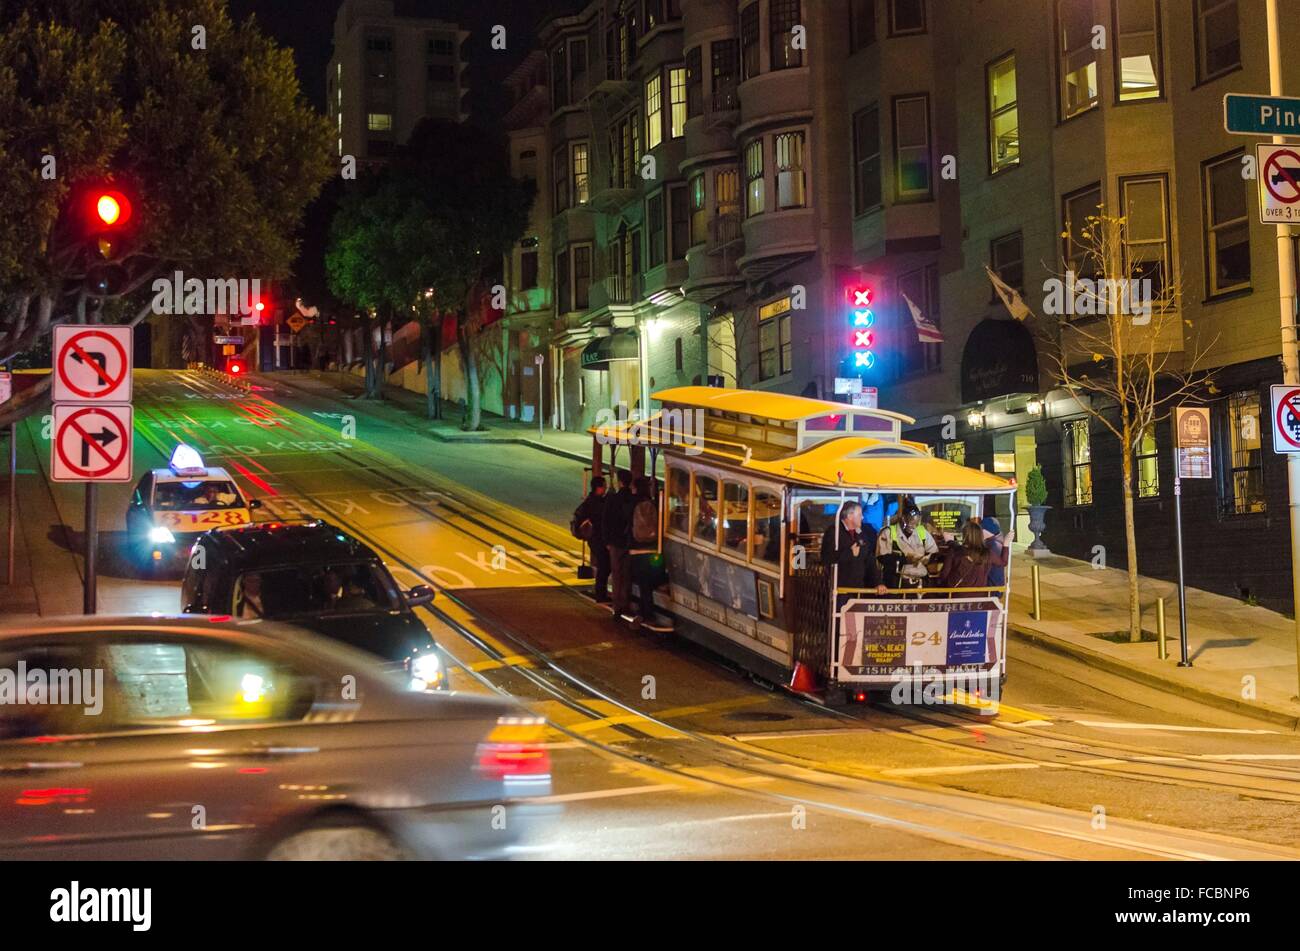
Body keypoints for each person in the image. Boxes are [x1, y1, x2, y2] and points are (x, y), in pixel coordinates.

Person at [820, 500, 888, 598]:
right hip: (840, 592)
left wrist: (878, 582)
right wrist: (849, 553)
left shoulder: (860, 533)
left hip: (858, 590)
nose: (862, 517)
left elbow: (869, 559)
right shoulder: (834, 532)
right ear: (850, 516)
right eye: (860, 514)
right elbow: (826, 558)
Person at [878, 497, 939, 590]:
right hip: (897, 583)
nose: (914, 527)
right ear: (903, 519)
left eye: (916, 523)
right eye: (911, 523)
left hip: (920, 583)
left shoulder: (922, 532)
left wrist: (927, 559)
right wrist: (905, 560)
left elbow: (934, 553)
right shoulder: (888, 532)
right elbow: (882, 557)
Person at [603, 469, 636, 616]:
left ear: (620, 482)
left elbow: (606, 521)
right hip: (629, 541)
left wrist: (607, 541)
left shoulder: (613, 499)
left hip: (615, 542)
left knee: (617, 575)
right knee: (627, 574)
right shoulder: (633, 499)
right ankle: (626, 603)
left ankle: (617, 607)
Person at [628, 476, 663, 619]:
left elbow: (627, 524)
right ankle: (650, 609)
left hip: (637, 550)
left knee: (642, 582)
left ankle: (645, 611)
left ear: (635, 488)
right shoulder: (654, 503)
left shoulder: (632, 503)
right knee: (651, 579)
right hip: (654, 549)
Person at [574, 476, 609, 603]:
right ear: (599, 488)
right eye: (604, 486)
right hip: (598, 539)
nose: (605, 488)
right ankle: (601, 593)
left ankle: (601, 591)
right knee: (605, 565)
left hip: (594, 539)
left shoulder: (590, 501)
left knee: (603, 565)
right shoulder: (597, 503)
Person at [938, 519, 993, 589]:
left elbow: (944, 575)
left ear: (964, 536)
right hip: (980, 596)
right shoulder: (987, 553)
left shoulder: (955, 552)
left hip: (957, 596)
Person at [980, 515, 1013, 588]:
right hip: (995, 586)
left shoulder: (991, 546)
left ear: (985, 531)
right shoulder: (996, 542)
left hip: (991, 588)